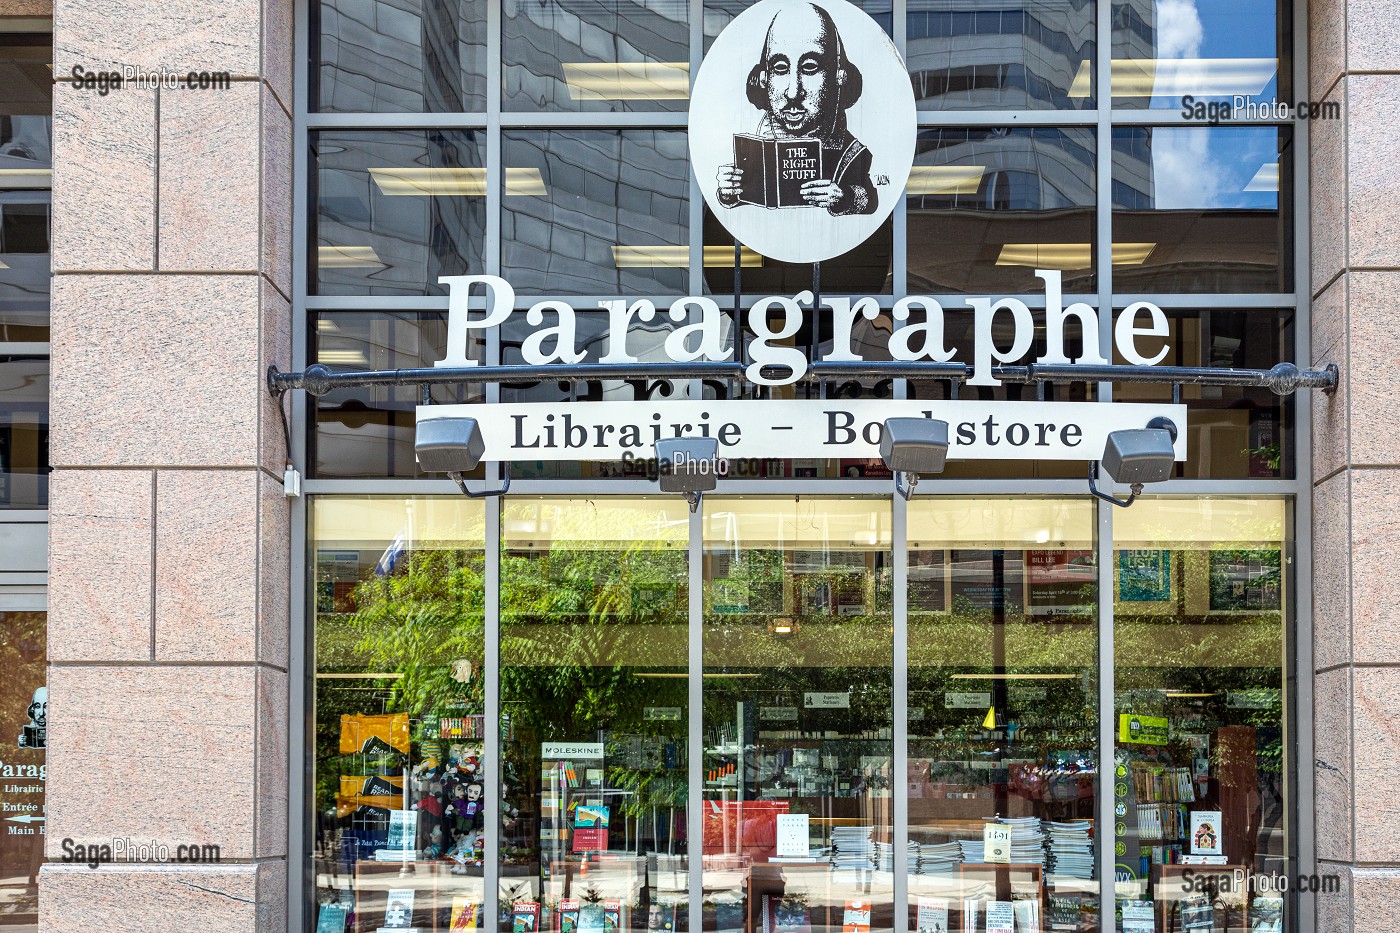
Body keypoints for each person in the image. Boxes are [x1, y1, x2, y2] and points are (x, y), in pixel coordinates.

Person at [716, 2, 876, 216]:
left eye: (810, 68)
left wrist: (844, 197)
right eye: (780, 69)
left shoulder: (853, 154)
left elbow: (869, 199)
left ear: (838, 76)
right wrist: (729, 191)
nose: (793, 92)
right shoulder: (750, 152)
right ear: (764, 78)